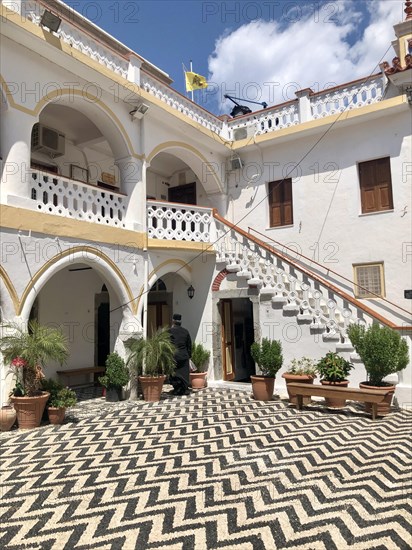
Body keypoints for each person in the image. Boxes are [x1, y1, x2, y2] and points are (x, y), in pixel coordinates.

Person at [168, 313, 192, 395]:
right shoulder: (185, 331)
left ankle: (176, 389)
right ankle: (183, 389)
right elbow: (189, 345)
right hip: (184, 355)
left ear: (173, 321)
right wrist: (189, 355)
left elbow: (167, 344)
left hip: (174, 355)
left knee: (175, 373)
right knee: (184, 373)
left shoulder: (170, 331)